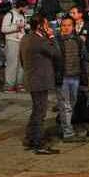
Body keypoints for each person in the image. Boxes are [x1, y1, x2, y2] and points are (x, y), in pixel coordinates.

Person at [20, 14, 62, 155]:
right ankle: (38, 143)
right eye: (46, 24)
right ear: (40, 26)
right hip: (39, 80)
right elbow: (56, 53)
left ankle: (30, 138)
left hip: (31, 78)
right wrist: (51, 37)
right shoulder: (39, 41)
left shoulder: (26, 38)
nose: (48, 27)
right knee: (40, 112)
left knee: (36, 110)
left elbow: (21, 59)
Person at [55, 16, 89, 142]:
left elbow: (83, 58)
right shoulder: (57, 41)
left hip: (75, 76)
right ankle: (68, 132)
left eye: (69, 25)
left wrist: (84, 77)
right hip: (63, 77)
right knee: (66, 105)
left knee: (72, 104)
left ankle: (65, 126)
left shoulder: (78, 41)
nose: (66, 28)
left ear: (73, 27)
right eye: (64, 25)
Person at [1, 1, 28, 92]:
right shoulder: (9, 15)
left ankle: (19, 84)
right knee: (12, 64)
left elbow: (23, 27)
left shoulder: (22, 15)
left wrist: (26, 27)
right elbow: (3, 29)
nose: (26, 10)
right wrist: (17, 28)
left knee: (21, 64)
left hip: (21, 41)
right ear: (21, 7)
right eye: (25, 8)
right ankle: (9, 85)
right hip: (12, 41)